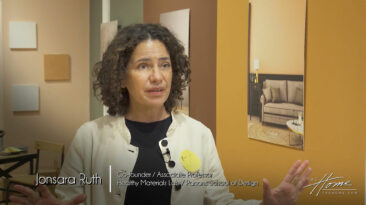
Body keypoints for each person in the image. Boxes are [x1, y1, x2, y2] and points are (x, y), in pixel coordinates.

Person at [10, 24, 311, 205]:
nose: (157, 76)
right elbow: (68, 199)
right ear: (121, 77)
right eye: (144, 66)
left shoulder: (199, 135)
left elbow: (219, 202)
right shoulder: (90, 137)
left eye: (165, 65)